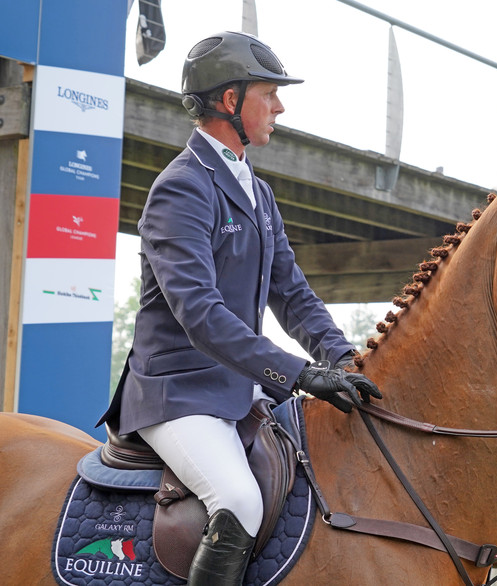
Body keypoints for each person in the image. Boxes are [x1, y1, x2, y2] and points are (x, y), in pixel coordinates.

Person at [97, 31, 382, 585]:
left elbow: (292, 293)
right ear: (230, 100)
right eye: (268, 94)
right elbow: (200, 314)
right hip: (177, 393)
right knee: (239, 501)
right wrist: (301, 373)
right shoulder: (181, 188)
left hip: (239, 388)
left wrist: (345, 358)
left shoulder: (258, 191)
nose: (280, 106)